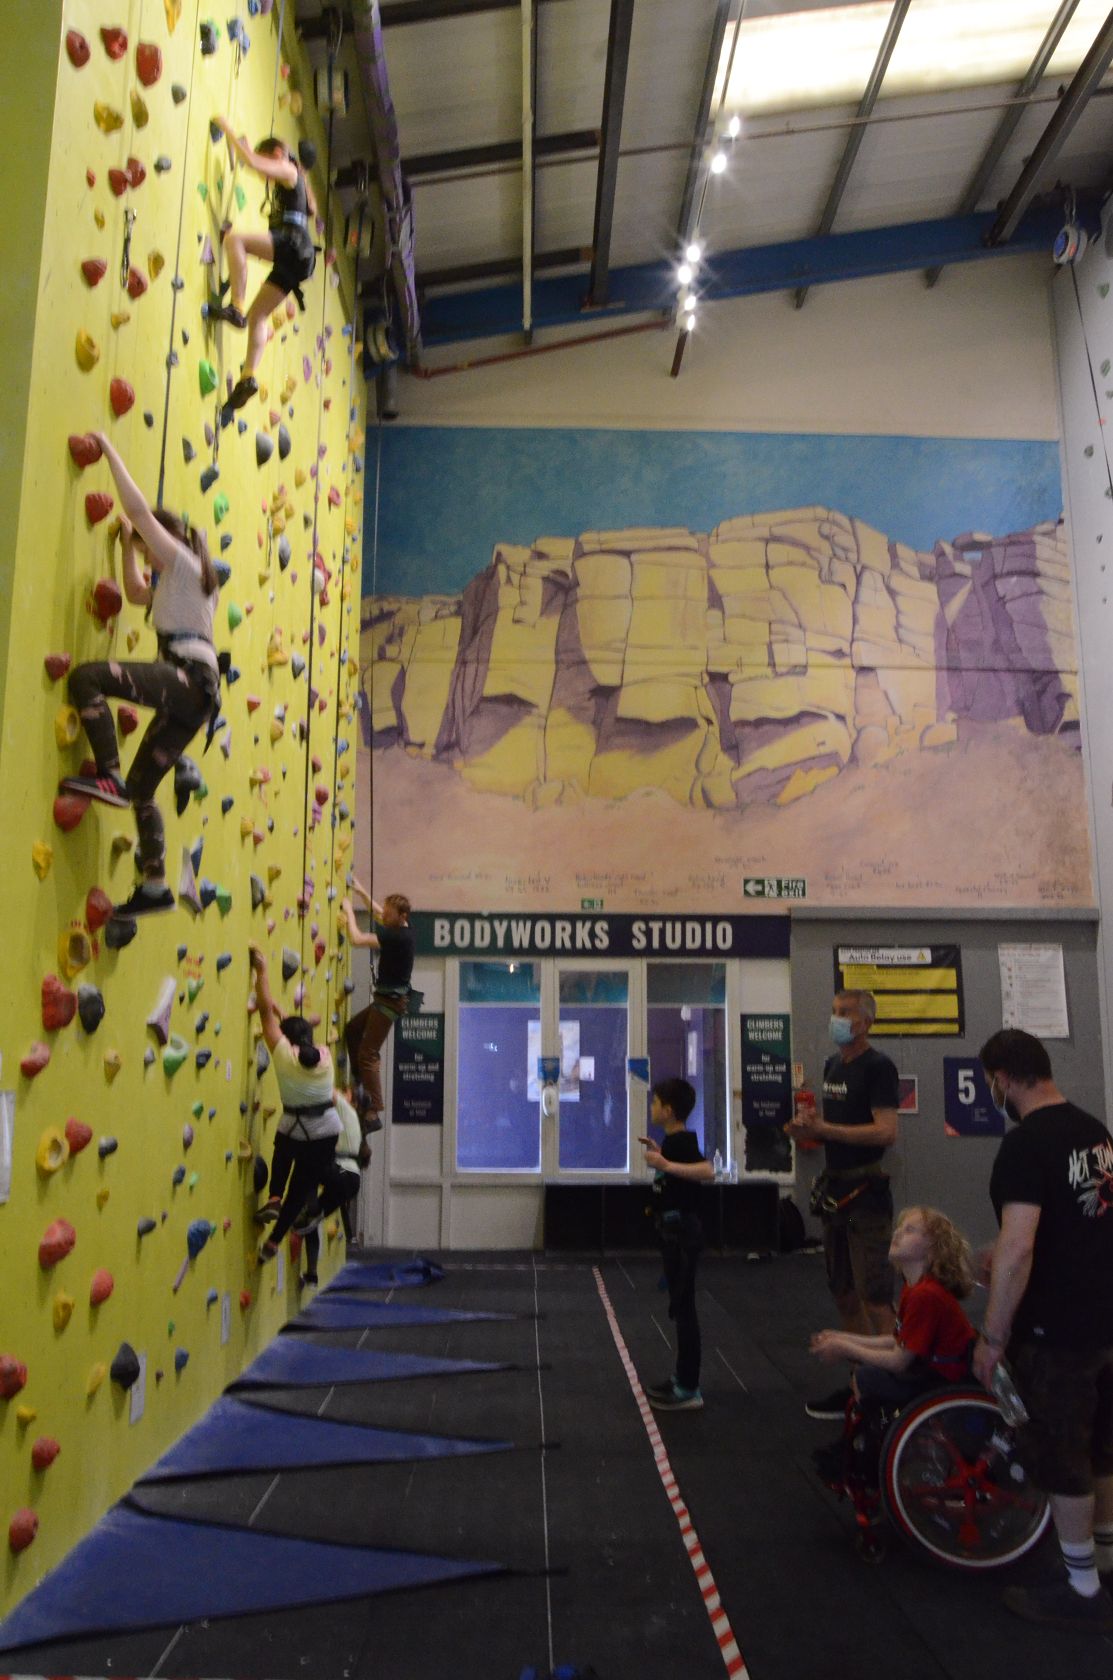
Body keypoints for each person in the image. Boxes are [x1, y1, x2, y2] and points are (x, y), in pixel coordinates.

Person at [974, 1029, 1113, 1633]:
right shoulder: (1094, 1132)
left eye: (991, 1082)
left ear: (1004, 1078)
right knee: (1100, 1447)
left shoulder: (1025, 1145)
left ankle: (1081, 1588)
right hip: (1103, 1318)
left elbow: (1020, 1247)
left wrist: (993, 1336)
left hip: (1056, 1329)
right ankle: (1101, 1561)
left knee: (1062, 1458)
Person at [61, 434, 219, 918]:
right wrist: (127, 545)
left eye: (147, 551)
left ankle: (108, 774)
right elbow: (134, 593)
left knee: (87, 679)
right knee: (143, 789)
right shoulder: (181, 582)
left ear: (162, 542)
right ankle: (155, 885)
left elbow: (138, 510)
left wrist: (110, 450)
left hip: (188, 679)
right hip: (196, 694)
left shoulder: (182, 563)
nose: (148, 561)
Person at [787, 988, 899, 1419]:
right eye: (834, 1011)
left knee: (876, 1298)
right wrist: (805, 1127)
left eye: (846, 1013)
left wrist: (828, 1130)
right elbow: (828, 1128)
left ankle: (894, 1393)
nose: (837, 1019)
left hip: (867, 1196)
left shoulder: (879, 1067)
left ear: (865, 1022)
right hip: (836, 1192)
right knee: (845, 1295)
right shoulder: (832, 1065)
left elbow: (886, 1131)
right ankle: (861, 1386)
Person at [809, 1206, 976, 1483]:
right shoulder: (916, 1288)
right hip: (934, 1371)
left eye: (910, 1230)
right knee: (867, 1376)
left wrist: (845, 1349)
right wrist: (841, 1338)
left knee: (868, 1377)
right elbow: (897, 1339)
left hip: (943, 1380)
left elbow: (900, 1359)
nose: (897, 1233)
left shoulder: (925, 1295)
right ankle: (864, 1448)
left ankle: (868, 1454)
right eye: (899, 1227)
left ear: (933, 1249)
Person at [208, 118, 318, 416]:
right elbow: (254, 165)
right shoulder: (293, 181)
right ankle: (248, 377)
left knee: (236, 241)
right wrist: (244, 151)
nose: (266, 177)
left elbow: (252, 162)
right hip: (298, 258)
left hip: (293, 244)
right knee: (259, 315)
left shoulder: (288, 169)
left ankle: (236, 306)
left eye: (268, 162)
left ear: (277, 154)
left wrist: (228, 129)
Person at [249, 945, 340, 1262]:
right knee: (300, 1190)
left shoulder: (283, 1057)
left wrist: (261, 971)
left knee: (284, 1147)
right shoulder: (324, 1056)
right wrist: (281, 1012)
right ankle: (273, 1242)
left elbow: (264, 1014)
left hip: (295, 1129)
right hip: (326, 1132)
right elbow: (295, 1034)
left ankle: (274, 1195)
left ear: (286, 1039)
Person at [638, 1077, 714, 1412]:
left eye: (655, 1102)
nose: (651, 1107)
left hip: (683, 1234)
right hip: (674, 1234)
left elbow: (707, 1171)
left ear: (668, 1110)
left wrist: (665, 1164)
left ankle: (688, 1387)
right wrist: (661, 1156)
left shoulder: (681, 1142)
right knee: (680, 1308)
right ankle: (681, 1377)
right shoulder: (672, 1143)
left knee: (684, 1310)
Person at [341, 881, 414, 1135]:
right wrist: (360, 891)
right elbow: (378, 912)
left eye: (390, 914)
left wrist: (349, 911)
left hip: (389, 1002)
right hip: (386, 999)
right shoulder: (402, 928)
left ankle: (374, 1109)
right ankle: (359, 1081)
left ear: (402, 916)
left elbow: (357, 939)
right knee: (353, 1030)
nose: (385, 916)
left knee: (369, 1053)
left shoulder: (397, 937)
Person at [294, 1086, 369, 1287]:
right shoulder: (350, 1119)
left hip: (342, 1173)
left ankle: (306, 1208)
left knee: (307, 1163)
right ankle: (311, 1275)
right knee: (312, 1220)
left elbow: (327, 1088)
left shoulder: (347, 1109)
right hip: (350, 1179)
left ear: (353, 1101)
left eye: (347, 1091)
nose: (344, 1092)